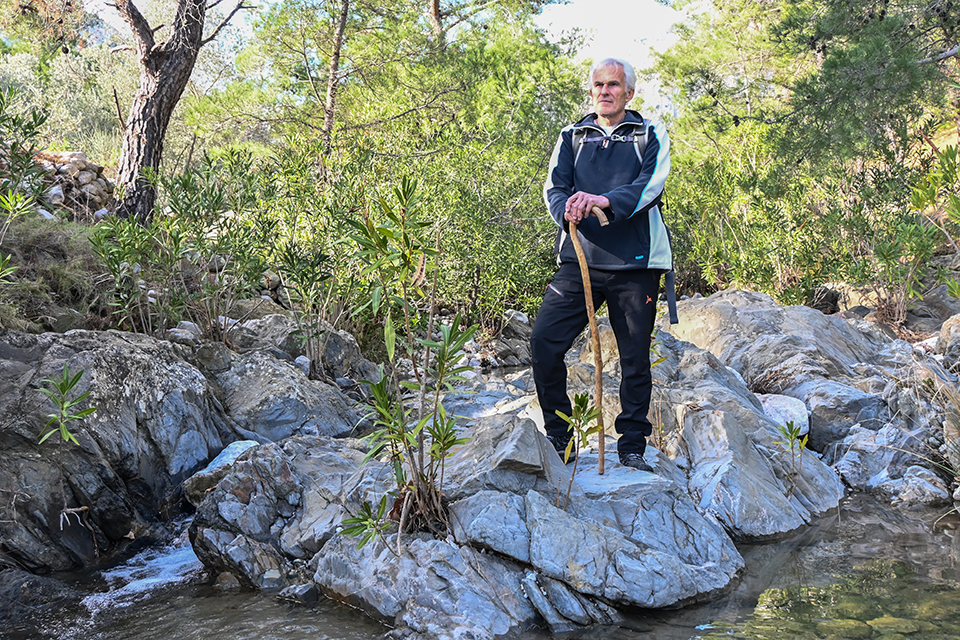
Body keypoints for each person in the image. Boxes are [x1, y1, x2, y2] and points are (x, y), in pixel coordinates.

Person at [531, 57, 673, 472]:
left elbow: (650, 185)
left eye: (614, 85)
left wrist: (602, 201)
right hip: (579, 260)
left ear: (629, 93)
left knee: (634, 357)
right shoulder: (572, 136)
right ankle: (561, 437)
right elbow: (554, 188)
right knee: (543, 342)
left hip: (637, 262)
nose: (605, 91)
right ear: (591, 90)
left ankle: (631, 444)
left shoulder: (650, 133)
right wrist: (569, 210)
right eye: (598, 84)